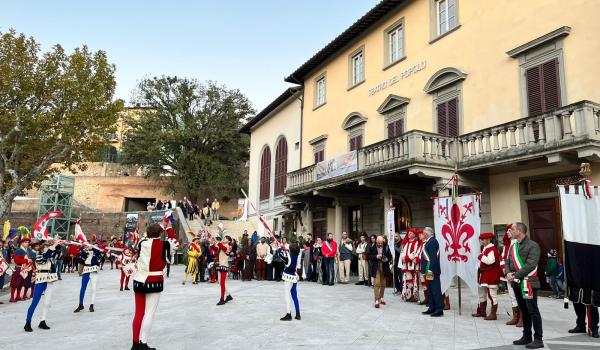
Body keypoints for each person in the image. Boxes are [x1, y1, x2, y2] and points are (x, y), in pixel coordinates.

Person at [131, 223, 170, 350]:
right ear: (160, 233)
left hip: (139, 280)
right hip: (154, 281)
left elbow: (145, 238)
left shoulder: (142, 243)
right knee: (149, 314)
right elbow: (172, 245)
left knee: (138, 313)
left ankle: (135, 344)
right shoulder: (164, 244)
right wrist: (168, 227)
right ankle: (143, 343)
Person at [505, 222, 544, 349]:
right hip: (517, 283)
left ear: (520, 231)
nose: (510, 231)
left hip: (529, 283)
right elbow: (508, 261)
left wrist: (515, 275)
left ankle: (538, 339)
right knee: (524, 310)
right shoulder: (514, 246)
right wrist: (508, 273)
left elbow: (531, 264)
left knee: (533, 311)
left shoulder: (533, 245)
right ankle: (526, 336)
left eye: (513, 229)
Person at [24, 240, 59, 332]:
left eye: (48, 247)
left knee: (47, 303)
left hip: (50, 281)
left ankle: (42, 321)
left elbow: (58, 253)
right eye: (46, 247)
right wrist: (54, 244)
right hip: (41, 281)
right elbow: (45, 257)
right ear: (42, 249)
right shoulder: (39, 257)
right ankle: (28, 322)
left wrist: (58, 244)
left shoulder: (51, 257)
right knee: (35, 302)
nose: (48, 248)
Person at [472, 232, 503, 320]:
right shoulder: (485, 248)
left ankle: (493, 314)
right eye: (481, 239)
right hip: (484, 274)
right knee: (482, 293)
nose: (482, 241)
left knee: (492, 295)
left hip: (491, 275)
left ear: (488, 239)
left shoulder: (492, 249)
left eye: (483, 239)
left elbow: (490, 261)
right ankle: (482, 312)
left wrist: (480, 256)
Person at [74, 236, 103, 313]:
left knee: (93, 288)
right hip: (86, 270)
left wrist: (93, 248)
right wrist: (84, 252)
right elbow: (79, 259)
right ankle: (80, 305)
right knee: (83, 288)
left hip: (94, 271)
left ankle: (91, 305)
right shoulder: (84, 251)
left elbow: (100, 257)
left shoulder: (96, 251)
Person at [500, 224, 521, 327]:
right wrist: (506, 272)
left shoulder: (518, 243)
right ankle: (515, 317)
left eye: (510, 230)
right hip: (508, 274)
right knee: (512, 296)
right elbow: (503, 259)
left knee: (520, 296)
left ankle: (522, 317)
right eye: (507, 231)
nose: (507, 232)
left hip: (518, 274)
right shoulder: (506, 246)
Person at [421, 227, 443, 317]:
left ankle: (439, 309)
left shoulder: (433, 242)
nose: (423, 234)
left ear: (427, 233)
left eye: (424, 233)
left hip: (431, 270)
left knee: (435, 290)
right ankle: (432, 307)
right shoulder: (429, 242)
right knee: (430, 289)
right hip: (428, 269)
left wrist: (430, 269)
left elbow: (433, 257)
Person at [279, 242, 302, 321]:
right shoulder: (296, 256)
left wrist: (280, 248)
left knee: (287, 296)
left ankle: (288, 314)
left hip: (288, 278)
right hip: (294, 277)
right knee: (294, 296)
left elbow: (280, 255)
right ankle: (298, 314)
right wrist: (284, 249)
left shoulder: (288, 257)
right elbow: (287, 254)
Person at [368, 236, 392, 308]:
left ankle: (381, 298)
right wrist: (376, 256)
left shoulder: (386, 247)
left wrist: (387, 259)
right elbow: (369, 256)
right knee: (377, 283)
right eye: (378, 243)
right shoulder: (372, 247)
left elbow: (390, 256)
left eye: (381, 243)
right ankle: (376, 300)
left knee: (383, 284)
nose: (380, 244)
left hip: (384, 267)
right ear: (376, 241)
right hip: (376, 267)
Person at [10, 237, 32, 302]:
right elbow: (17, 260)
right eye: (25, 242)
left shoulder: (26, 251)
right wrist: (27, 260)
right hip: (18, 268)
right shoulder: (19, 250)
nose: (27, 244)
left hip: (24, 269)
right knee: (15, 283)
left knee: (20, 283)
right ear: (21, 243)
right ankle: (12, 297)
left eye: (28, 242)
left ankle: (18, 296)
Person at [400, 229, 420, 302]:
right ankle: (408, 295)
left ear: (414, 235)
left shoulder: (416, 242)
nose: (409, 234)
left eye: (411, 233)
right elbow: (403, 251)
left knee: (414, 279)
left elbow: (415, 252)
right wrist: (403, 257)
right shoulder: (406, 243)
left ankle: (414, 296)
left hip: (412, 265)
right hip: (406, 264)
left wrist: (407, 258)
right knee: (408, 280)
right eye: (409, 233)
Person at [213, 235, 233, 305]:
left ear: (229, 241)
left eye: (226, 238)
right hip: (220, 265)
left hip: (224, 265)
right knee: (220, 282)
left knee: (222, 283)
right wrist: (212, 242)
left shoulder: (228, 246)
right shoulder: (221, 245)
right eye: (224, 238)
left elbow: (224, 248)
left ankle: (222, 299)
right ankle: (228, 296)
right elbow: (214, 248)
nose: (224, 239)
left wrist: (218, 242)